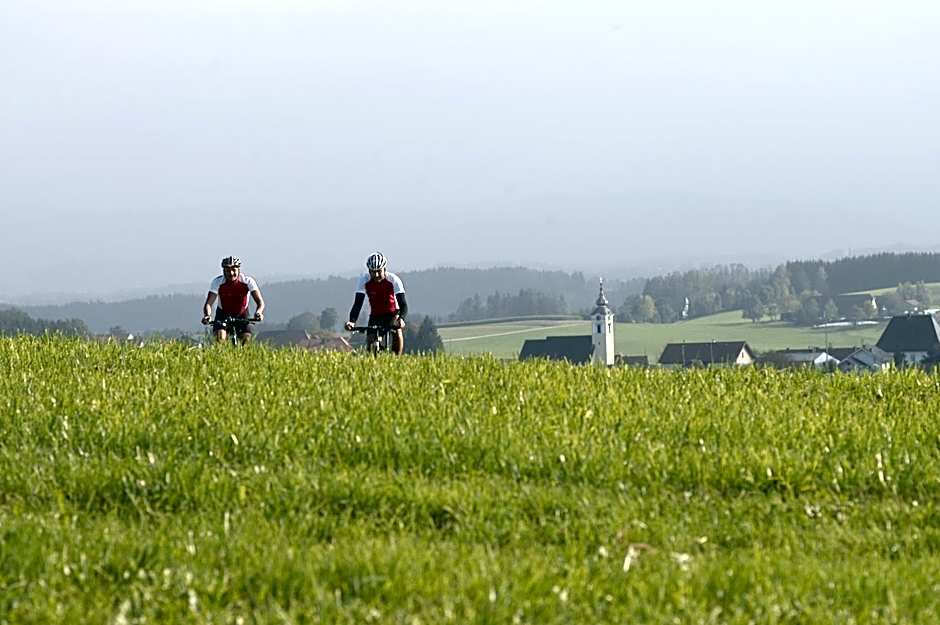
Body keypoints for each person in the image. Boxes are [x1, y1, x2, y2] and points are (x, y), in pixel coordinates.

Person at [344, 252, 408, 354]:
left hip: (392, 313)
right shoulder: (364, 280)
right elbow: (357, 304)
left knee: (397, 331)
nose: (376, 275)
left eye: (379, 271)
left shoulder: (394, 280)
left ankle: (397, 359)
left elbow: (403, 304)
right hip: (376, 315)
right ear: (369, 271)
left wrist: (401, 319)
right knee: (370, 341)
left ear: (384, 269)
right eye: (373, 272)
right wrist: (352, 321)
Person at [201, 256, 265, 344]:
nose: (231, 273)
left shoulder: (248, 281)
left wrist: (259, 312)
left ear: (239, 270)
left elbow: (260, 302)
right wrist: (207, 315)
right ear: (224, 271)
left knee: (246, 341)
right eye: (227, 270)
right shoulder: (218, 282)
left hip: (242, 314)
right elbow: (208, 303)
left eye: (234, 270)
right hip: (223, 314)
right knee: (220, 340)